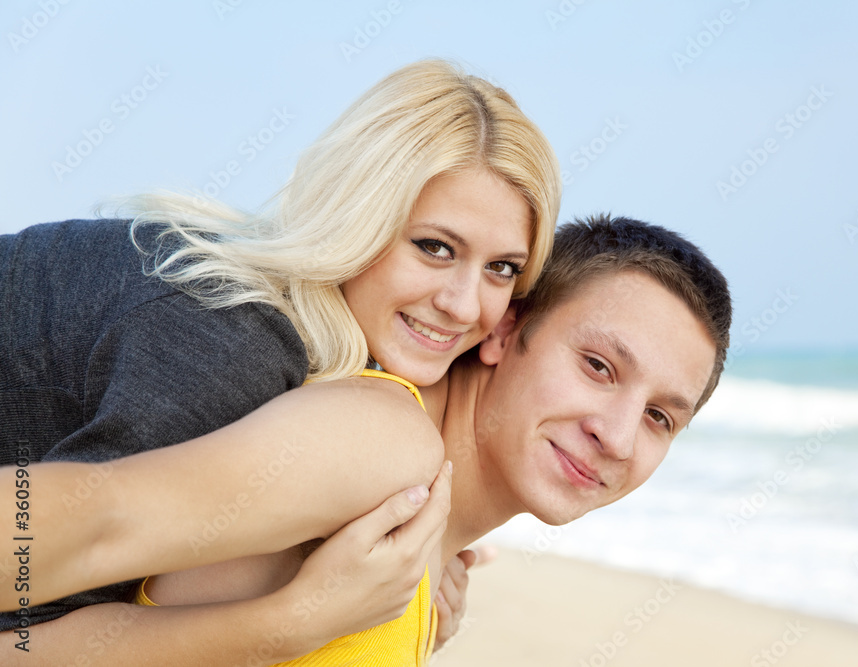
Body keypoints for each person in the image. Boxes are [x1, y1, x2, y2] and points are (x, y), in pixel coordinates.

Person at [0, 58, 560, 646]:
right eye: (435, 247)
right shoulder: (231, 341)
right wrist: (295, 623)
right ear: (355, 214)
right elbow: (27, 644)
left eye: (501, 268)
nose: (465, 306)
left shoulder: (303, 354)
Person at [1, 215, 732, 665]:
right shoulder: (383, 442)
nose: (616, 433)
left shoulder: (422, 540)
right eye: (598, 366)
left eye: (661, 417)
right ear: (508, 330)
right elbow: (93, 524)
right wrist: (286, 625)